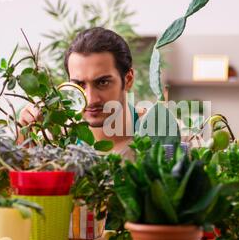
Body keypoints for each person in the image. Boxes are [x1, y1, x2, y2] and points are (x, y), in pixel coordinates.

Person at [19, 27, 145, 160]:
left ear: (128, 80)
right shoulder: (55, 140)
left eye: (102, 82)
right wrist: (23, 137)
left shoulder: (159, 131)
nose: (90, 99)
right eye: (79, 85)